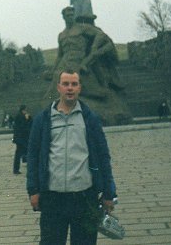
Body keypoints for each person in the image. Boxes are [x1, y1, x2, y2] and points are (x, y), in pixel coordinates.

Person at [27, 70, 117, 245]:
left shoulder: (90, 118)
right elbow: (33, 156)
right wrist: (33, 190)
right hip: (53, 197)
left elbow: (103, 156)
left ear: (79, 88)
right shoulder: (43, 119)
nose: (70, 88)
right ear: (58, 87)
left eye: (74, 84)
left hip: (84, 197)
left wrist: (109, 193)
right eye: (66, 84)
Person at [12, 105, 32, 175]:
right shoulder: (20, 116)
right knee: (21, 153)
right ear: (23, 110)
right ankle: (16, 169)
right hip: (21, 138)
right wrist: (27, 119)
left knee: (21, 153)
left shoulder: (20, 116)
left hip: (20, 138)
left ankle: (16, 169)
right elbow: (24, 126)